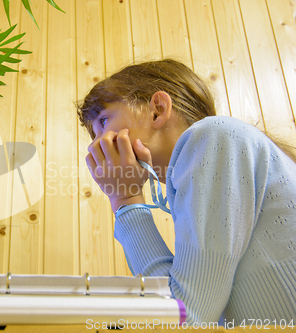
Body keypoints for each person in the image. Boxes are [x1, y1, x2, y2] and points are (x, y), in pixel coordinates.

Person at [76, 59, 296, 326]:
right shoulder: (200, 163)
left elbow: (186, 317)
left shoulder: (211, 137)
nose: (98, 145)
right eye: (94, 134)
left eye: (104, 120)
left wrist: (125, 199)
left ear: (157, 110)